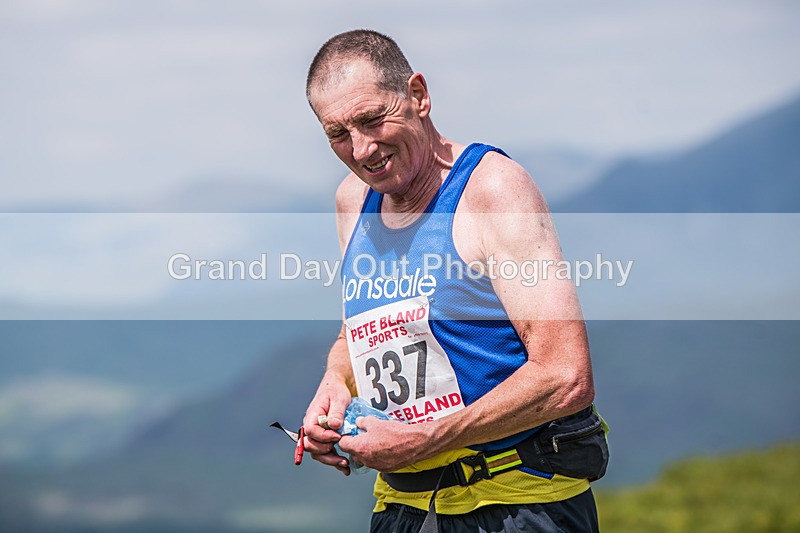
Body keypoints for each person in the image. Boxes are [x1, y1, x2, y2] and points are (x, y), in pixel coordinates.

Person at [302, 29, 602, 532]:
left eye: (372, 119)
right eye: (338, 133)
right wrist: (336, 382)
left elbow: (566, 375)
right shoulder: (352, 201)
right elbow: (361, 331)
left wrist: (428, 438)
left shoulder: (493, 189)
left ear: (418, 96)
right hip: (405, 506)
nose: (361, 149)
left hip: (518, 503)